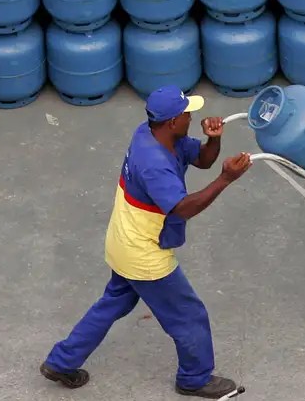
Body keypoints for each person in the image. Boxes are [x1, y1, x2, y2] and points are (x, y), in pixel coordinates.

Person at [40, 85, 253, 398]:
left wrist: (215, 138)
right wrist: (226, 180)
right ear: (172, 122)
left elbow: (203, 160)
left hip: (122, 240)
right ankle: (194, 378)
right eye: (187, 114)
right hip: (143, 252)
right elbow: (184, 208)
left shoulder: (151, 133)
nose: (192, 117)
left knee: (115, 302)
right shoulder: (154, 163)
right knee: (188, 314)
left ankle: (61, 361)